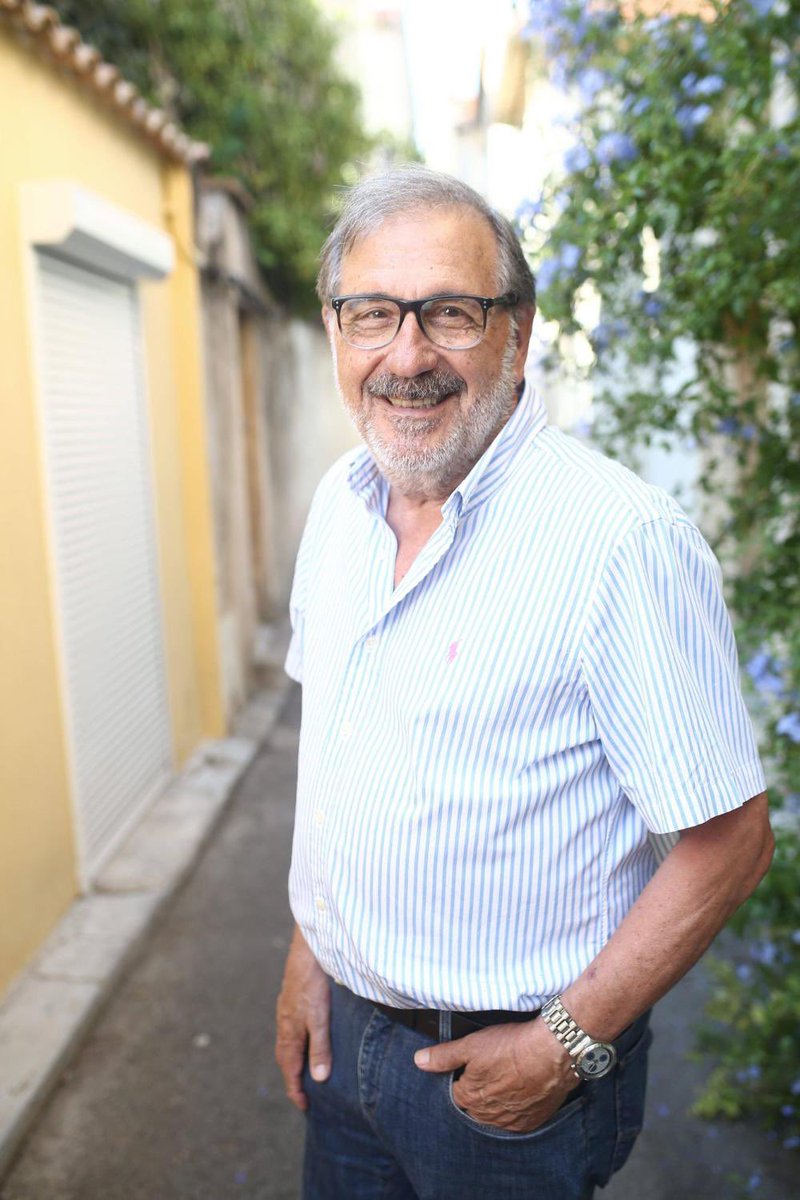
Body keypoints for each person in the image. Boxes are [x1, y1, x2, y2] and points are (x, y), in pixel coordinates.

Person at [275, 164, 773, 1200]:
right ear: (334, 328)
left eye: (450, 313)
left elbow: (730, 841)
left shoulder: (620, 541)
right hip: (342, 1048)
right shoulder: (339, 503)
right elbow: (337, 758)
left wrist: (565, 1046)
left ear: (519, 331)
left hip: (506, 1082)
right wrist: (308, 951)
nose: (406, 355)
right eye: (372, 314)